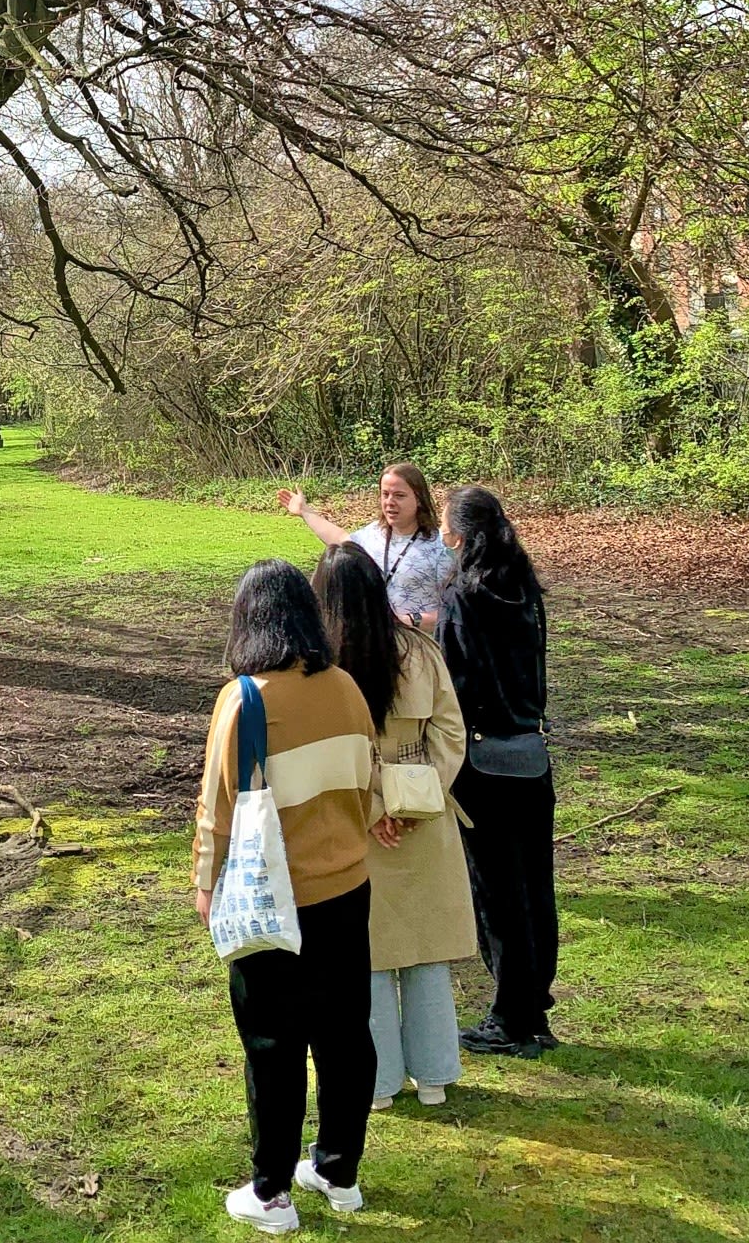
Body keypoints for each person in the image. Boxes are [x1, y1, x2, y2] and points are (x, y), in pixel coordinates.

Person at [195, 560, 383, 1231]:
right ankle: (339, 1170)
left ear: (248, 620)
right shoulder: (348, 691)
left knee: (273, 1045)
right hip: (347, 888)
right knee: (344, 1036)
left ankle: (271, 1192)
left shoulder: (243, 699)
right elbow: (368, 786)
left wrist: (204, 885)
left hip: (269, 899)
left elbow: (216, 814)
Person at [318, 542, 476, 1110]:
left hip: (352, 820)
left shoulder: (320, 668)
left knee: (368, 955)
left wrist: (375, 808)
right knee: (426, 949)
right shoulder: (421, 651)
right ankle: (434, 1074)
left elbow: (326, 754)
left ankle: (378, 1082)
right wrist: (414, 800)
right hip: (423, 812)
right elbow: (450, 734)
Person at [437, 486, 558, 1058]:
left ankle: (511, 1016)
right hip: (531, 756)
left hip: (482, 759)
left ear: (461, 535)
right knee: (534, 884)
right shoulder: (527, 593)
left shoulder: (463, 596)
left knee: (496, 893)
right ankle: (533, 1006)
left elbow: (454, 685)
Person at [280, 463, 454, 630]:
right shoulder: (372, 535)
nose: (390, 502)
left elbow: (452, 612)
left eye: (399, 495)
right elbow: (341, 539)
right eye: (385, 494)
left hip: (418, 650)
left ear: (419, 499)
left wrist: (408, 620)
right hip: (374, 646)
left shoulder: (440, 547)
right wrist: (305, 511)